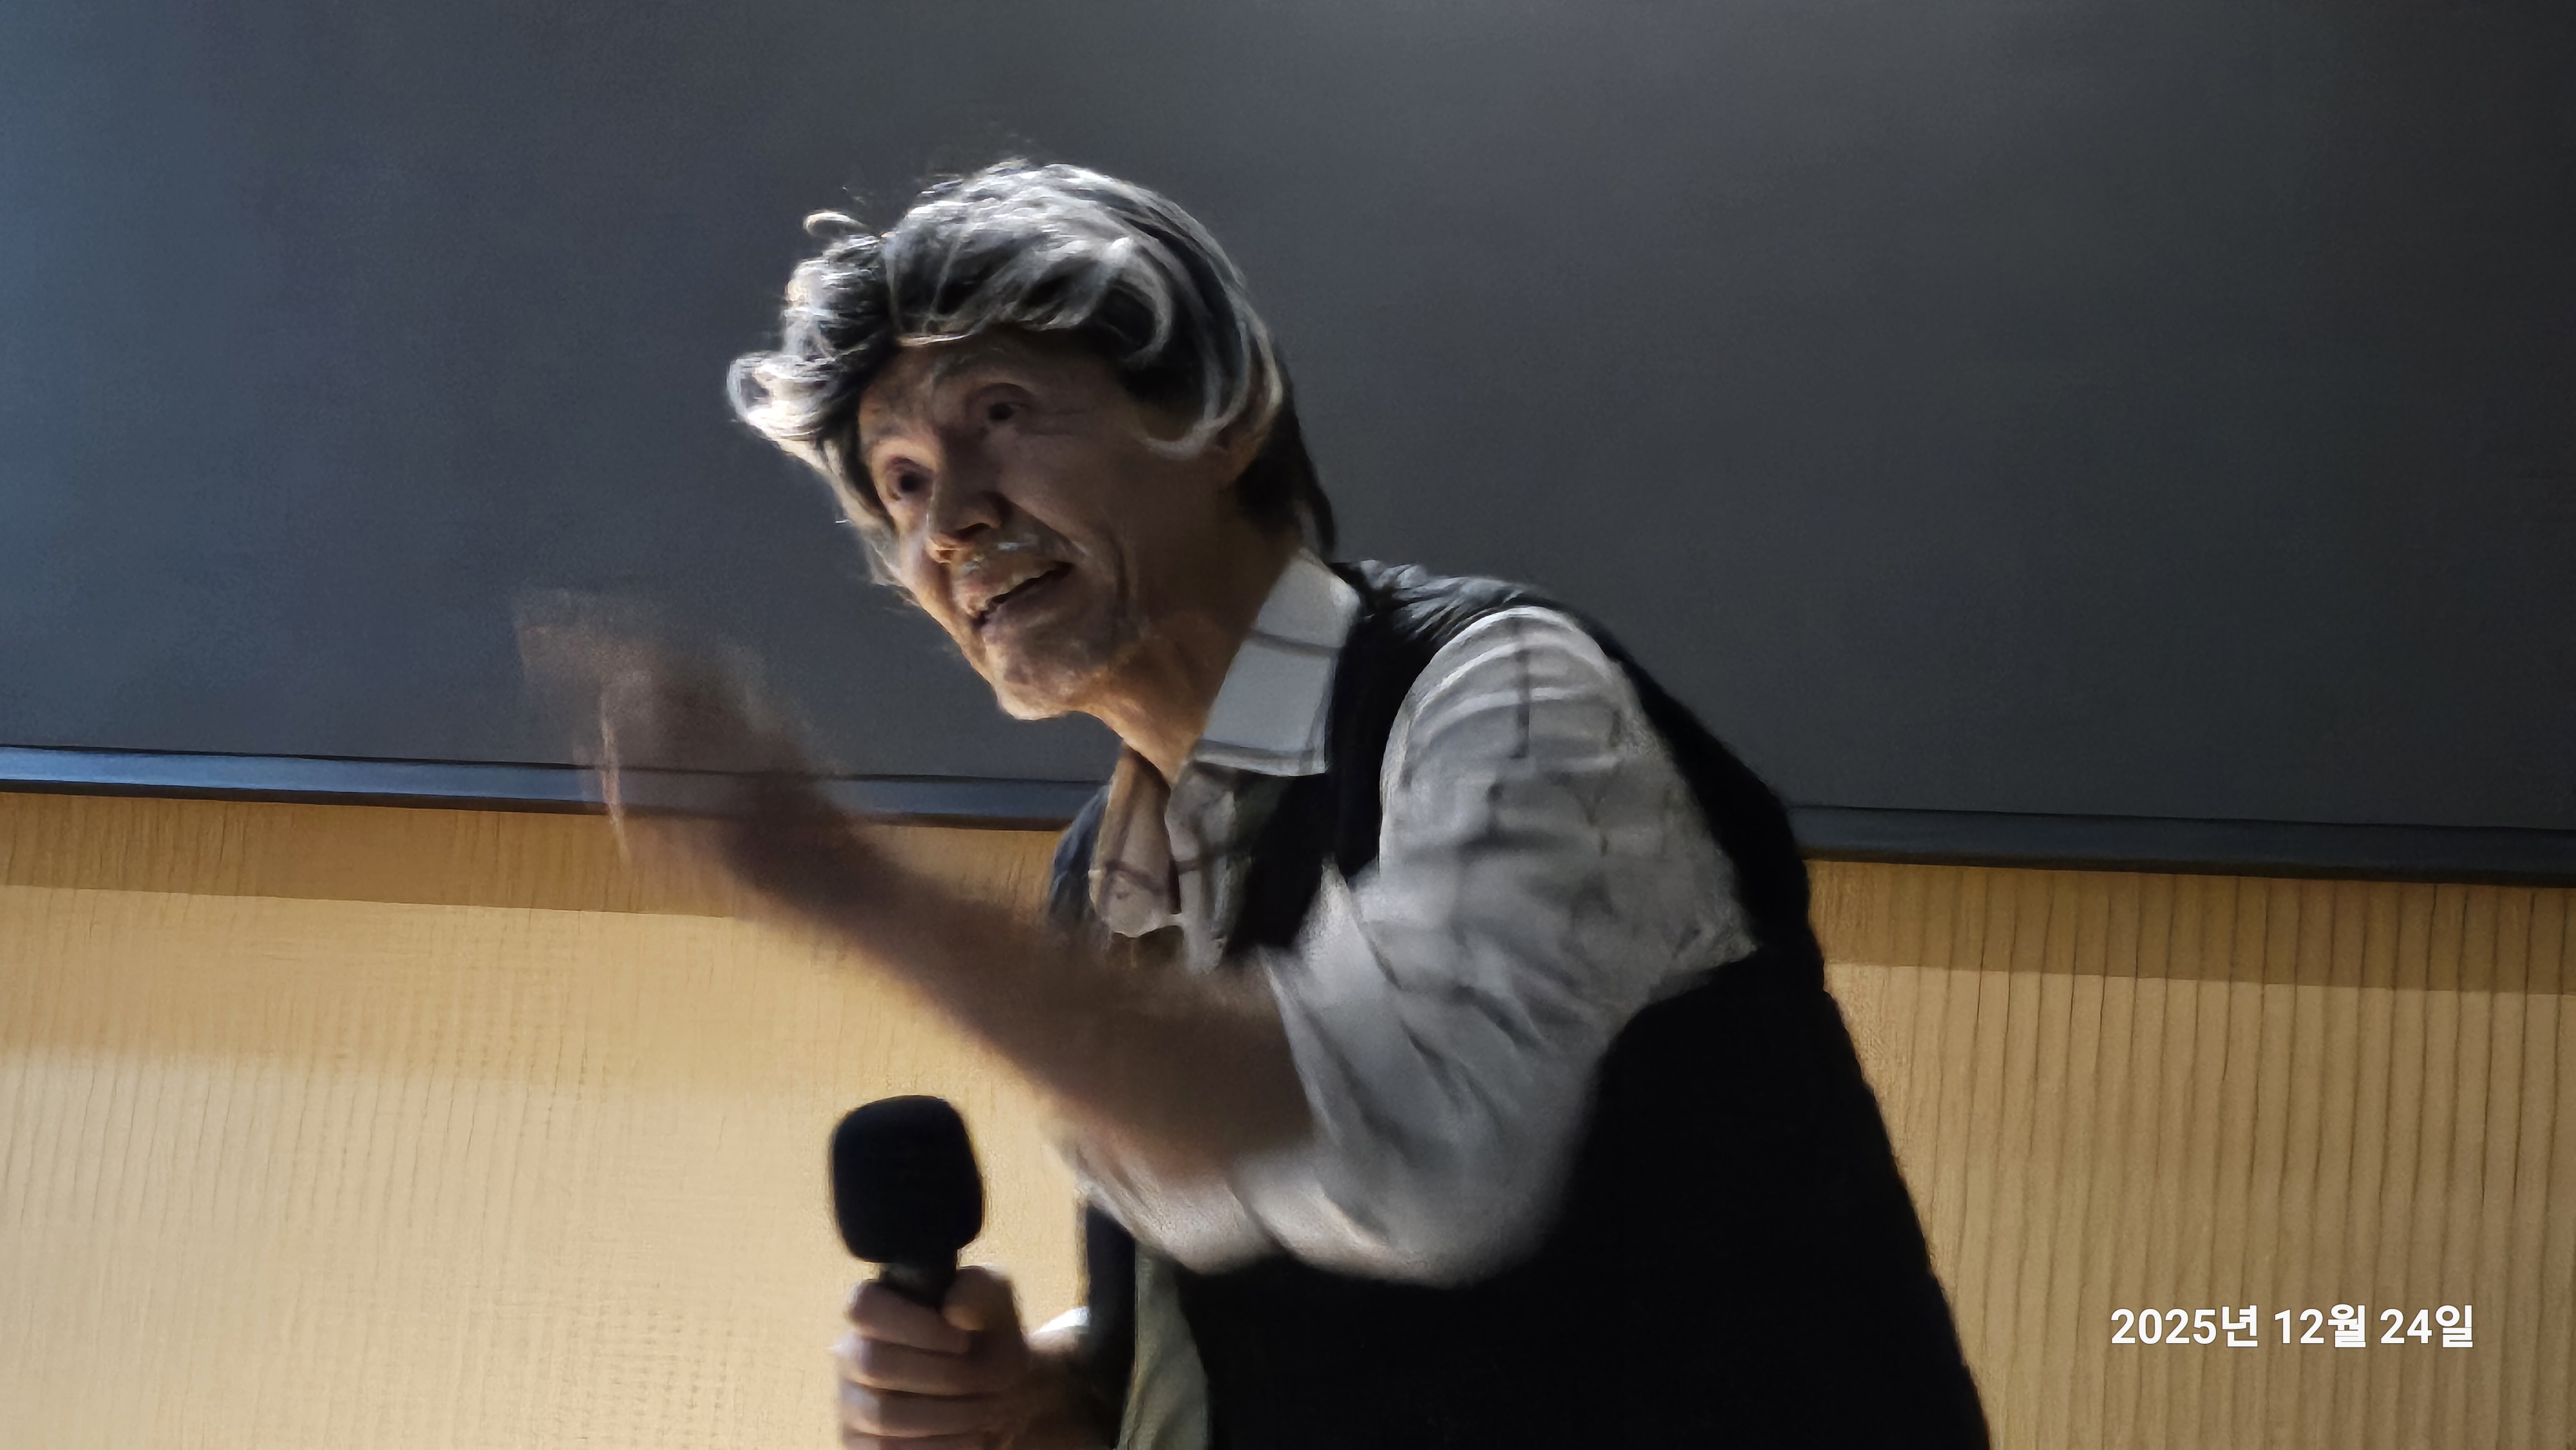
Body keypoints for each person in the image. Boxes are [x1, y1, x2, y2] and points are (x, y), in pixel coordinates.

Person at [585, 160, 1987, 1448]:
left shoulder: (1499, 693)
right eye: (901, 483)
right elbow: (1275, 1331)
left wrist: (844, 880)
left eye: (999, 417)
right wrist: (1054, 1395)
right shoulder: (1107, 872)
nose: (947, 522)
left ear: (1220, 417)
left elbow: (1406, 1148)